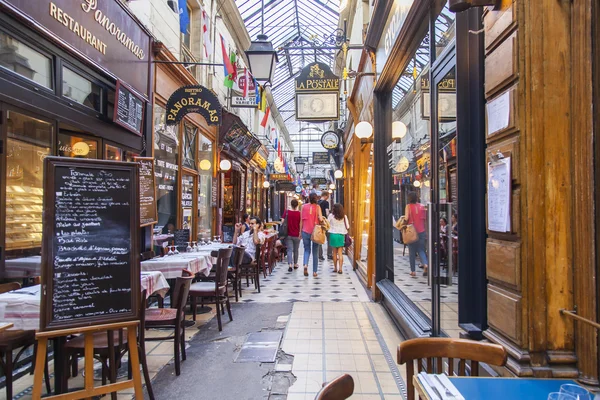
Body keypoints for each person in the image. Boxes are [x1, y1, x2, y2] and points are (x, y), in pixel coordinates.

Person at [405, 192, 428, 277]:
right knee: (421, 249)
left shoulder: (408, 206)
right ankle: (425, 264)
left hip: (412, 231)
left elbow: (407, 218)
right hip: (422, 230)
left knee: (412, 251)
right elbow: (425, 219)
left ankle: (413, 271)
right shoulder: (422, 206)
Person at [301, 192, 323, 277]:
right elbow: (320, 219)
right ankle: (314, 271)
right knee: (315, 252)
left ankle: (305, 265)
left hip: (305, 231)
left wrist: (300, 232)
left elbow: (301, 221)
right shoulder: (317, 207)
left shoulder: (303, 206)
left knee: (306, 250)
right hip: (315, 233)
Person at [327, 203, 349, 274]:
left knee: (334, 253)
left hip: (333, 234)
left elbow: (327, 224)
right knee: (340, 253)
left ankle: (335, 268)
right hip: (341, 235)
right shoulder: (344, 216)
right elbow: (347, 226)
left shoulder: (331, 216)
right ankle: (340, 269)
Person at [282, 199, 302, 272]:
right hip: (297, 235)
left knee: (289, 250)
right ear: (297, 205)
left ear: (291, 204)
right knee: (296, 250)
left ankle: (290, 264)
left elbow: (282, 221)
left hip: (288, 234)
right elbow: (301, 224)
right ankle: (295, 264)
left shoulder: (287, 212)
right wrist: (300, 233)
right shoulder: (299, 213)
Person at [318, 191, 331, 261]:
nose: (328, 198)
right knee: (329, 238)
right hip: (325, 222)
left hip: (319, 222)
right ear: (326, 196)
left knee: (319, 239)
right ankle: (329, 254)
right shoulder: (326, 203)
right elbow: (327, 212)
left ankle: (320, 255)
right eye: (328, 196)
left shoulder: (317, 202)